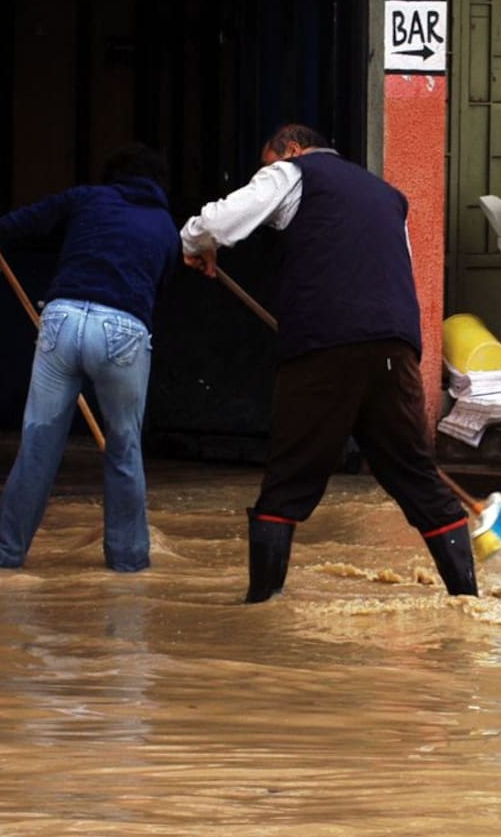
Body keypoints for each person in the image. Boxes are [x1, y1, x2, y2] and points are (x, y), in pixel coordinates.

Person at [180, 123, 477, 603]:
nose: (265, 172)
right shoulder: (389, 197)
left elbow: (217, 222)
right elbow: (391, 272)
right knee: (414, 475)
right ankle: (467, 600)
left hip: (324, 347)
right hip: (395, 349)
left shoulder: (293, 172)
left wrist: (194, 243)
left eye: (267, 163)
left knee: (289, 479)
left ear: (293, 148)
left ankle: (260, 613)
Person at [0, 142, 181, 570]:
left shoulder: (88, 197)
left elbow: (24, 221)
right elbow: (160, 288)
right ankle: (128, 565)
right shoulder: (165, 227)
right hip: (124, 329)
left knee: (37, 448)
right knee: (124, 451)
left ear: (113, 177)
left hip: (61, 320)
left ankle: (2, 558)